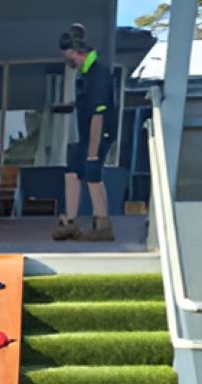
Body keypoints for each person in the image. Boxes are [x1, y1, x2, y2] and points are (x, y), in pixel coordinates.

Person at [52, 25, 117, 242]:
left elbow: (99, 114)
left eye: (69, 55)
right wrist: (70, 105)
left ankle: (103, 224)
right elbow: (87, 104)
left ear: (78, 53)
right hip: (86, 134)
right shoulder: (86, 74)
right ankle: (69, 222)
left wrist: (92, 151)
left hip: (99, 133)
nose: (69, 60)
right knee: (72, 172)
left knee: (92, 174)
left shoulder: (99, 73)